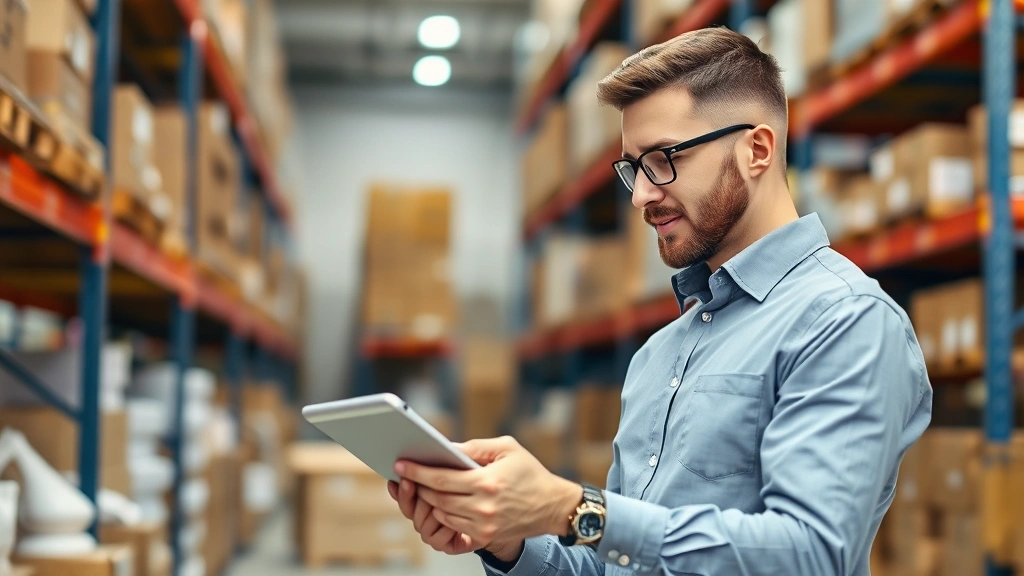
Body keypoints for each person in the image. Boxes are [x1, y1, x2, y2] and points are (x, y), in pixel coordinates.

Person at [387, 26, 932, 576]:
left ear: (757, 150)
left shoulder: (845, 321)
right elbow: (622, 564)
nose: (643, 193)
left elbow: (811, 553)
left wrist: (573, 508)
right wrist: (509, 540)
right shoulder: (661, 353)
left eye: (663, 158)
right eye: (633, 168)